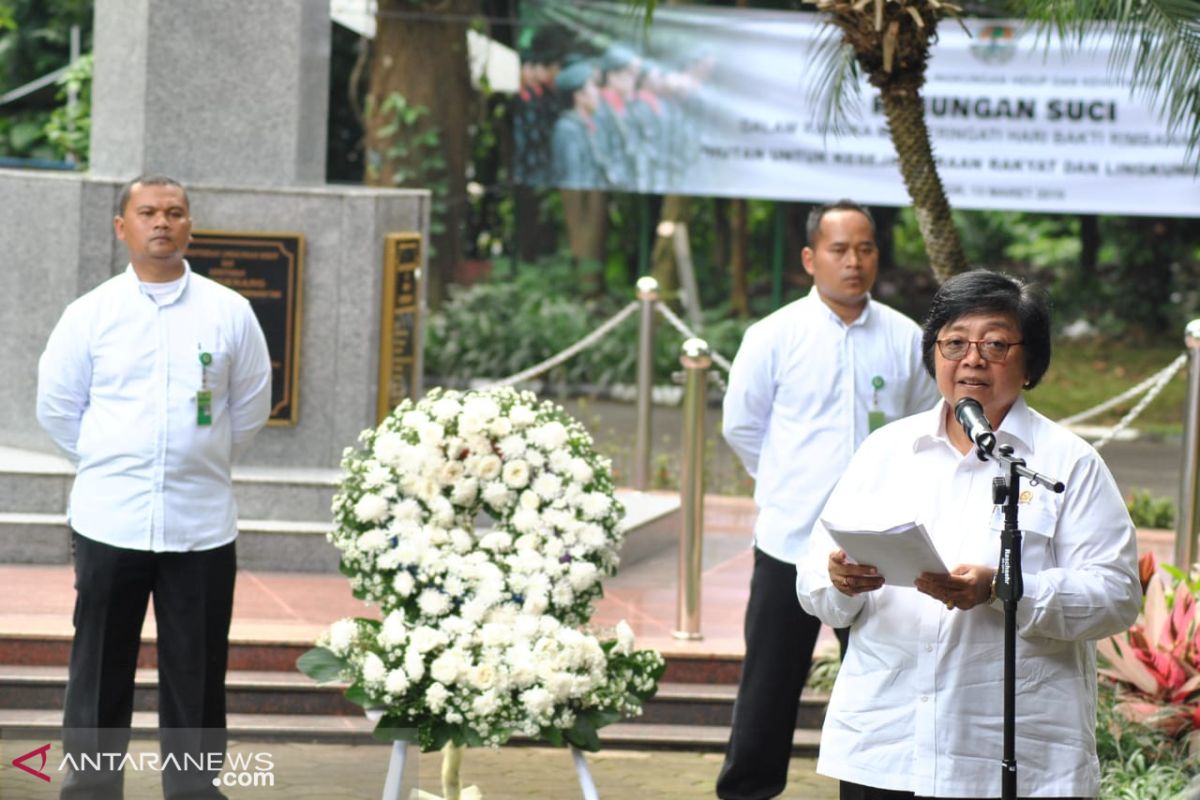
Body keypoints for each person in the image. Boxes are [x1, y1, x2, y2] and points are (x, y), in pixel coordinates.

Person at [797, 269, 1141, 799]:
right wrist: (840, 578)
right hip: (889, 745)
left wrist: (1008, 590)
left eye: (996, 344)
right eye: (954, 342)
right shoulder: (885, 452)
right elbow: (813, 577)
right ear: (933, 353)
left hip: (1016, 751)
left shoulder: (1067, 463)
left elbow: (1117, 596)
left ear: (1031, 364)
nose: (972, 358)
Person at [37, 175, 272, 799]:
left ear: (191, 225)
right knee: (98, 667)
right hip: (110, 518)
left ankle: (193, 790)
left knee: (195, 670)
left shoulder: (230, 312)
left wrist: (198, 457)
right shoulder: (90, 315)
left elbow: (248, 409)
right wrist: (117, 461)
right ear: (123, 227)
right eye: (147, 213)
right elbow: (58, 409)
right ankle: (90, 789)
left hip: (200, 522)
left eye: (175, 212)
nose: (161, 223)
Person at [718, 201, 941, 800]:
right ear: (810, 258)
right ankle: (747, 791)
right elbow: (743, 426)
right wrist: (786, 484)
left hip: (879, 548)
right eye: (840, 250)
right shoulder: (772, 336)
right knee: (768, 683)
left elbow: (925, 426)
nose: (854, 261)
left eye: (865, 248)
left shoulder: (905, 337)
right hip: (791, 540)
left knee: (880, 683)